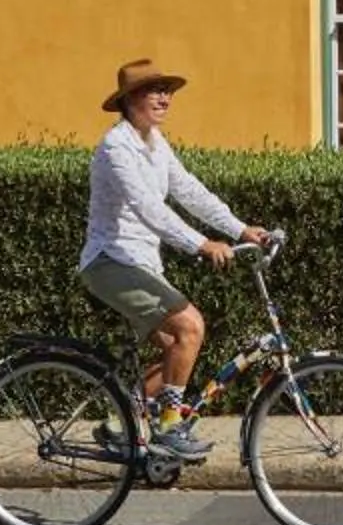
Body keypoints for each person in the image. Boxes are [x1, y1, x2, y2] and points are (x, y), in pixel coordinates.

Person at [77, 59, 267, 461]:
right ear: (130, 101)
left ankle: (118, 425)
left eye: (168, 90)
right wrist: (200, 243)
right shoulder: (116, 147)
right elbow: (149, 208)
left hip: (141, 263)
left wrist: (239, 229)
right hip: (110, 261)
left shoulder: (155, 143)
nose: (165, 97)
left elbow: (189, 190)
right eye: (154, 90)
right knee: (190, 326)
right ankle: (169, 426)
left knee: (178, 346)